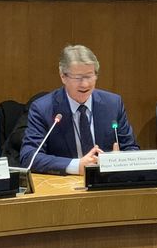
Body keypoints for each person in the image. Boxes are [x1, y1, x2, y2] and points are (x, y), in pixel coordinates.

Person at [20, 45, 138, 174]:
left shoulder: (113, 104)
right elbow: (29, 157)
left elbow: (131, 148)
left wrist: (120, 160)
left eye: (89, 76)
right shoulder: (43, 109)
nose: (85, 84)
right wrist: (76, 166)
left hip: (105, 180)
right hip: (64, 183)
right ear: (63, 76)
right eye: (78, 78)